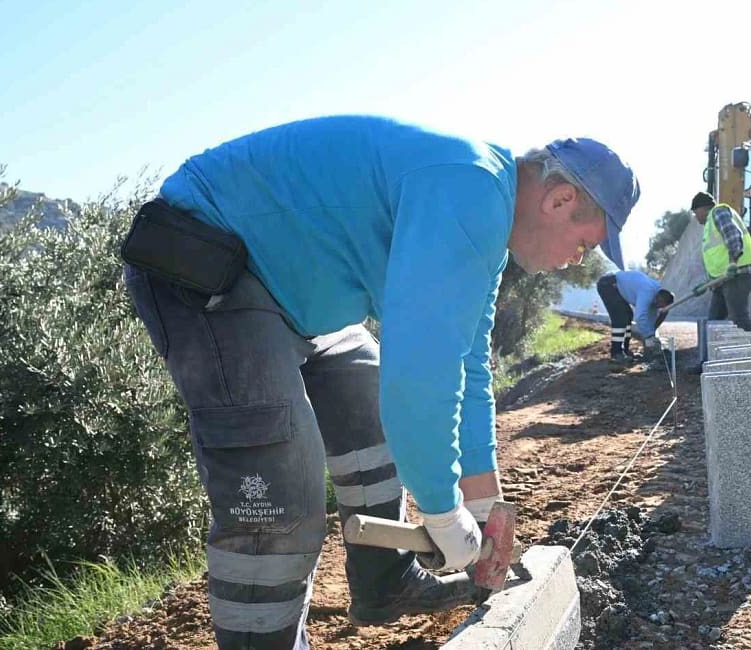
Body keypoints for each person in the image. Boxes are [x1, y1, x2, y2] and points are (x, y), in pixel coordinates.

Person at [122, 116, 639, 649]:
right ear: (558, 200)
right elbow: (421, 375)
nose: (576, 260)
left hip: (290, 291)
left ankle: (385, 580)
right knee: (279, 485)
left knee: (364, 389)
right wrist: (442, 510)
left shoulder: (486, 217)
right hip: (210, 260)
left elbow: (467, 364)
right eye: (585, 243)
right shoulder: (472, 189)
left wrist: (482, 506)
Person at [689, 191, 751, 370]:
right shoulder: (709, 226)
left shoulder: (718, 212)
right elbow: (716, 258)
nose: (695, 216)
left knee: (739, 318)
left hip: (738, 274)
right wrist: (709, 283)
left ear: (702, 208)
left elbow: (733, 237)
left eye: (695, 212)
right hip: (723, 280)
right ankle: (707, 363)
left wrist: (732, 262)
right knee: (713, 322)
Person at [595, 270, 674, 364]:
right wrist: (649, 337)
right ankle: (616, 353)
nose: (659, 307)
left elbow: (651, 321)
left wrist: (652, 335)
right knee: (621, 317)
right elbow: (640, 317)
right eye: (660, 305)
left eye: (661, 307)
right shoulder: (647, 292)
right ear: (658, 299)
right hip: (608, 284)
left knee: (628, 316)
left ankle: (625, 351)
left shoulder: (657, 295)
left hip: (617, 287)